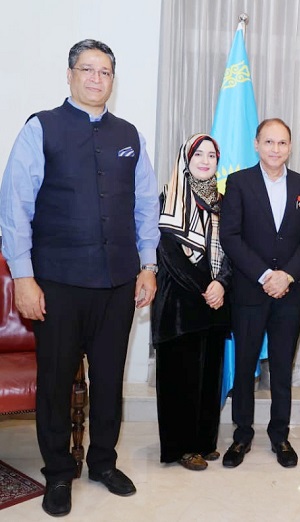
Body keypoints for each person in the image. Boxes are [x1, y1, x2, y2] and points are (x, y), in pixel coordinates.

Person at [0, 39, 160, 516]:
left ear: (113, 79)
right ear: (69, 75)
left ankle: (104, 463)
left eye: (105, 71)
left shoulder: (130, 134)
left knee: (110, 380)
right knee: (53, 383)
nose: (96, 78)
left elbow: (146, 204)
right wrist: (24, 279)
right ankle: (57, 474)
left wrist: (148, 265)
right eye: (87, 69)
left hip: (117, 283)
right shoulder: (40, 128)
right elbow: (14, 210)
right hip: (58, 286)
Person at [219, 118, 300, 469]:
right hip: (250, 290)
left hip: (290, 293)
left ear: (290, 147)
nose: (275, 149)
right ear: (256, 144)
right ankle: (242, 434)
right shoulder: (239, 183)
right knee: (245, 366)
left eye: (282, 143)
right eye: (269, 142)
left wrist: (287, 276)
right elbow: (230, 236)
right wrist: (265, 275)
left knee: (281, 367)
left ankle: (280, 435)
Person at [151, 134, 233, 471]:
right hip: (180, 304)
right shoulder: (167, 198)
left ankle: (204, 442)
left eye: (211, 155)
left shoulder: (224, 202)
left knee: (210, 375)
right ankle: (180, 448)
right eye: (197, 153)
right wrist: (208, 285)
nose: (204, 160)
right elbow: (169, 255)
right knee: (180, 377)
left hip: (215, 303)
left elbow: (233, 250)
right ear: (185, 158)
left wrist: (222, 283)